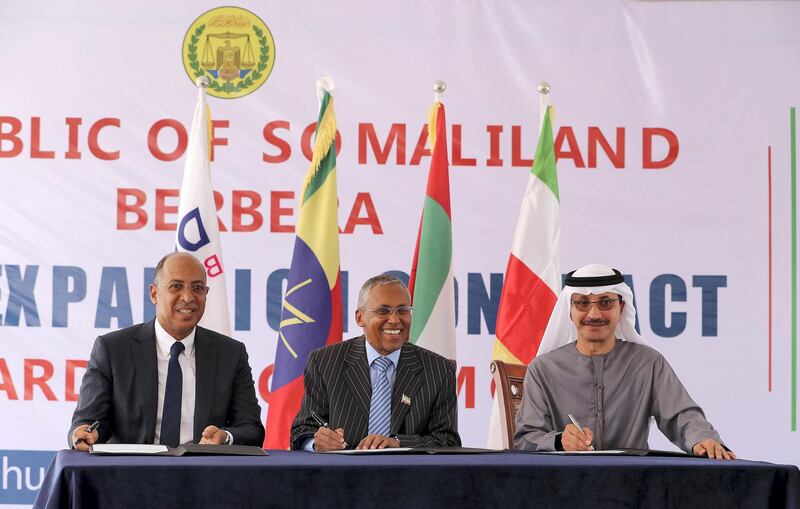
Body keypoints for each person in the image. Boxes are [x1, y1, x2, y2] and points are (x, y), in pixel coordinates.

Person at [514, 264, 735, 459]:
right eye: (582, 303)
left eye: (605, 303)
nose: (594, 313)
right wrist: (559, 441)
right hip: (561, 487)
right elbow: (525, 440)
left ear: (621, 308)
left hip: (633, 484)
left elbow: (681, 415)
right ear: (569, 311)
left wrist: (702, 439)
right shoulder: (543, 369)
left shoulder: (647, 363)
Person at [69, 252, 264, 450]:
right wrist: (85, 432)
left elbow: (252, 428)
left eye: (197, 288)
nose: (188, 297)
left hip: (204, 474)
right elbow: (87, 422)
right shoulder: (113, 349)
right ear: (154, 293)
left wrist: (226, 437)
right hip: (130, 474)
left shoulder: (230, 354)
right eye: (176, 286)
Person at [290, 274, 461, 451]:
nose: (395, 319)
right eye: (383, 311)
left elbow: (448, 441)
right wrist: (316, 442)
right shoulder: (325, 362)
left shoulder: (439, 370)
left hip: (410, 475)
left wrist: (398, 444)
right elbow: (301, 431)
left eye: (402, 310)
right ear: (359, 317)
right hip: (342, 475)